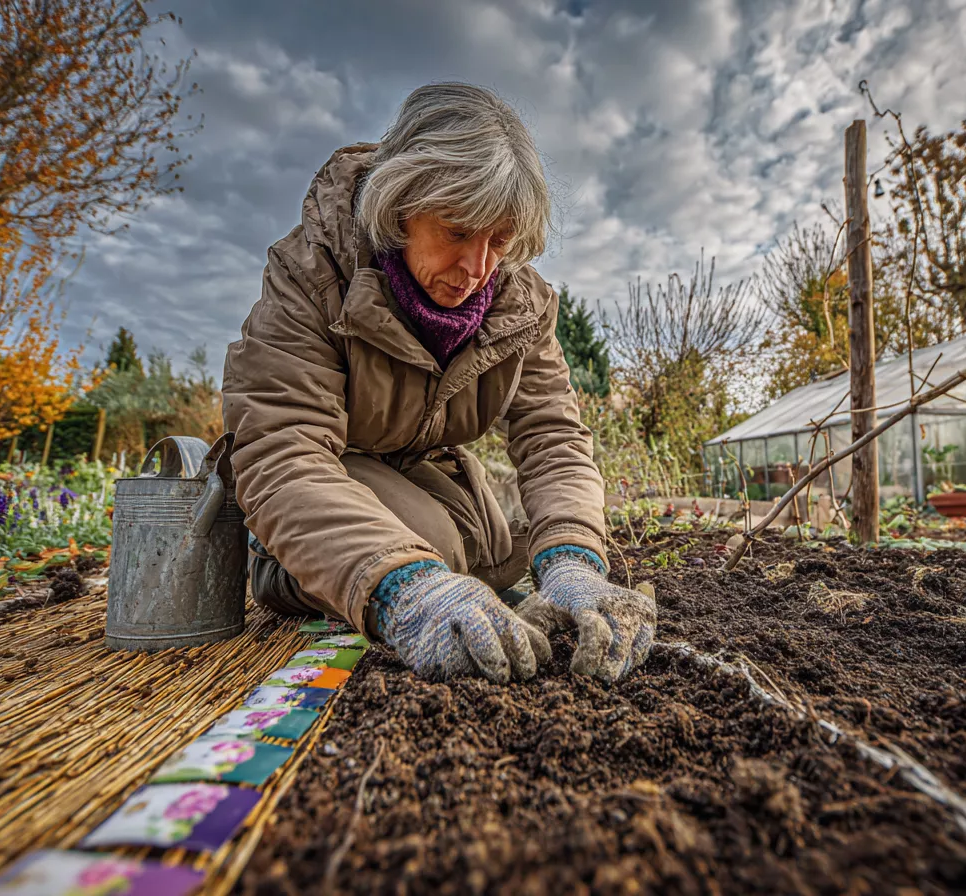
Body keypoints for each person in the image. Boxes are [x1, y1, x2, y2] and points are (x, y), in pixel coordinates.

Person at [222, 83, 655, 686]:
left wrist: (574, 564)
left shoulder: (516, 303)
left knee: (496, 553)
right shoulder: (313, 272)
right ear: (400, 205)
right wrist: (405, 589)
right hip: (319, 473)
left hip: (415, 468)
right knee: (431, 556)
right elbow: (280, 448)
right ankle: (278, 558)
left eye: (499, 241)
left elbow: (554, 434)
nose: (478, 270)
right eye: (456, 231)